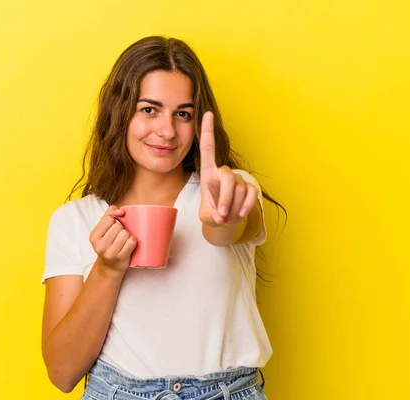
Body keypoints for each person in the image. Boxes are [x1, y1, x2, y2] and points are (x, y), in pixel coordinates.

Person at [41, 36, 285, 400]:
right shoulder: (74, 220)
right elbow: (62, 373)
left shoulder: (229, 190)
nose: (167, 131)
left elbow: (227, 227)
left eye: (182, 114)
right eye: (149, 109)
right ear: (119, 112)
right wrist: (107, 269)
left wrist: (222, 219)